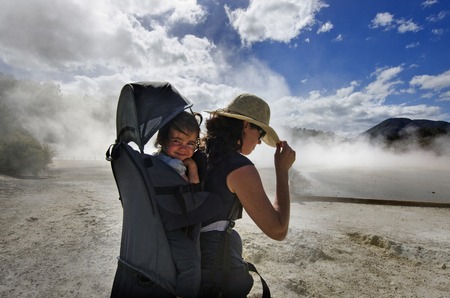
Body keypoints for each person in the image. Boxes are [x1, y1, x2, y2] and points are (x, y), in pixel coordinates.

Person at [198, 93, 296, 297]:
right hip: (213, 269)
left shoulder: (200, 152)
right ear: (245, 126)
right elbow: (278, 231)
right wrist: (282, 171)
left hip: (191, 259)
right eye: (260, 134)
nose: (259, 142)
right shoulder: (239, 168)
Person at [153, 111, 207, 298]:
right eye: (177, 141)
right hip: (168, 227)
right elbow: (193, 191)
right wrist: (192, 167)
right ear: (162, 140)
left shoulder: (158, 161)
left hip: (165, 221)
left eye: (190, 143)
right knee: (191, 264)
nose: (184, 148)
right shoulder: (173, 166)